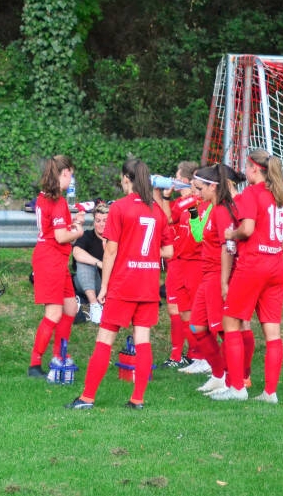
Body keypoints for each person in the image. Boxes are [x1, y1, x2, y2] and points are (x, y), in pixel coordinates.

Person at [65, 158, 173, 410]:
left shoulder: (120, 207)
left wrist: (104, 286)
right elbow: (169, 250)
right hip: (148, 285)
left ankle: (87, 397)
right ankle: (137, 400)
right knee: (143, 340)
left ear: (126, 179)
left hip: (124, 284)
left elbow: (111, 251)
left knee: (104, 339)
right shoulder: (157, 210)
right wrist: (147, 254)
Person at [219, 150, 283, 403]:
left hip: (253, 265)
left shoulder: (251, 193)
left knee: (231, 324)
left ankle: (237, 388)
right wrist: (279, 262)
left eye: (247, 167)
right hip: (276, 266)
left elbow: (247, 229)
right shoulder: (282, 197)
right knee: (273, 332)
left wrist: (231, 234)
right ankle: (270, 393)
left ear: (254, 169)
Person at [183, 164, 239, 396]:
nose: (197, 192)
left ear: (213, 187)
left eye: (200, 188)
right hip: (207, 275)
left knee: (225, 331)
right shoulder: (209, 208)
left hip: (217, 275)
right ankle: (218, 375)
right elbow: (199, 235)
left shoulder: (222, 210)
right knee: (197, 326)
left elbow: (228, 246)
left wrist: (225, 281)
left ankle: (233, 379)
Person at [28, 156, 84, 379]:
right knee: (54, 312)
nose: (72, 180)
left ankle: (59, 355)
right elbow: (60, 236)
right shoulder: (58, 201)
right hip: (50, 259)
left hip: (55, 258)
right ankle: (35, 364)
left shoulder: (45, 196)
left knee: (70, 308)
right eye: (71, 175)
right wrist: (78, 231)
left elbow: (55, 229)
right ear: (64, 173)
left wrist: (73, 223)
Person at [155, 161, 204, 368]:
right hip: (177, 261)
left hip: (190, 262)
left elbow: (196, 232)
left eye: (176, 177)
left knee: (187, 310)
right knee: (179, 310)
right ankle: (185, 355)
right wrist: (161, 194)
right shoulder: (182, 202)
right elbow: (165, 217)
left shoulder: (196, 202)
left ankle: (194, 354)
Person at [72, 202, 109, 324]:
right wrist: (99, 263)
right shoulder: (87, 235)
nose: (101, 224)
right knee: (84, 262)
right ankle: (94, 306)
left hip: (110, 284)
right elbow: (76, 252)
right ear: (94, 222)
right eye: (98, 221)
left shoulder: (117, 238)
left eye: (105, 221)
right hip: (87, 282)